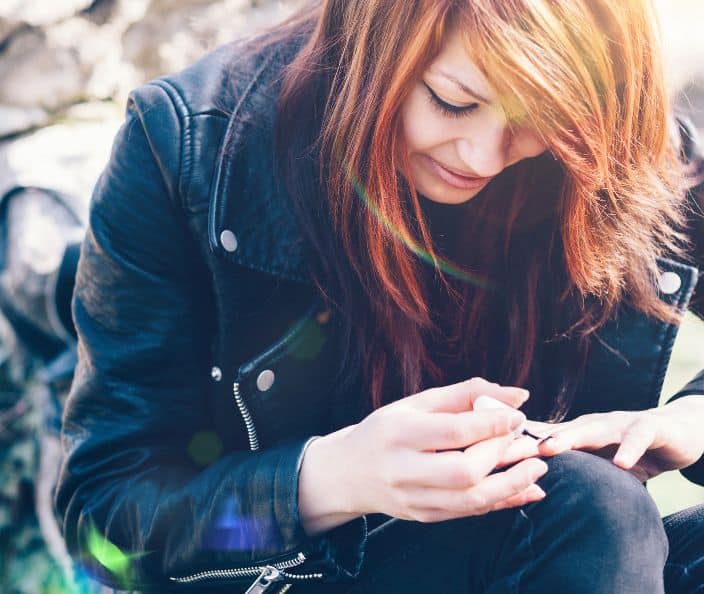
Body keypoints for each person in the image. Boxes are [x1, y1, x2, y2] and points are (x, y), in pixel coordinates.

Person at [54, 0, 704, 592]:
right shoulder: (188, 144)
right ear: (379, 35)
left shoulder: (622, 152)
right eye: (453, 102)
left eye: (542, 122)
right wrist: (329, 481)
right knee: (592, 503)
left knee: (598, 510)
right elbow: (109, 523)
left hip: (553, 551)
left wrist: (686, 424)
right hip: (288, 571)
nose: (483, 156)